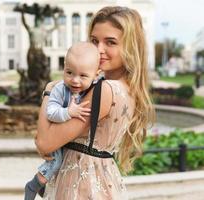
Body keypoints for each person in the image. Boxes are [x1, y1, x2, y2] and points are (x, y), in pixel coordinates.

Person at [35, 6, 155, 199]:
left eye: (110, 42)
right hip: (101, 181)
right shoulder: (126, 89)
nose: (99, 50)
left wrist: (49, 90)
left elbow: (44, 143)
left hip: (81, 187)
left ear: (130, 47)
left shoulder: (105, 91)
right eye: (94, 41)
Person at [25, 42, 101, 200]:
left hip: (68, 139)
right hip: (54, 131)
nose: (75, 80)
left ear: (96, 75)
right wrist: (68, 112)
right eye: (69, 73)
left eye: (83, 76)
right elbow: (51, 113)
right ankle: (34, 184)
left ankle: (44, 187)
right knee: (56, 160)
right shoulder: (60, 89)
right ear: (64, 68)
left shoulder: (94, 89)